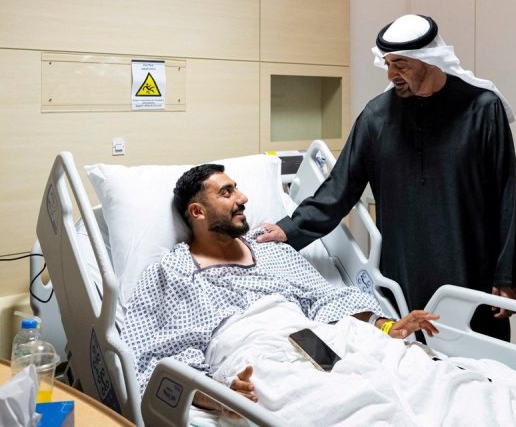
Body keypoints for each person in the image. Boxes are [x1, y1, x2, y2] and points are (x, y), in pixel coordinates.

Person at [258, 14, 516, 341]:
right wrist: (290, 229)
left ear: (428, 59)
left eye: (401, 65)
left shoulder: (482, 109)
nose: (390, 74)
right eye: (387, 64)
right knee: (415, 355)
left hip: (471, 263)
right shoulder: (377, 117)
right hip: (405, 266)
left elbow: (506, 195)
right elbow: (340, 187)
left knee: (483, 358)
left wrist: (509, 275)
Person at [121, 163, 439, 412]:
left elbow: (327, 300)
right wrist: (217, 395)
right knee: (340, 406)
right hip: (252, 356)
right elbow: (156, 358)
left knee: (410, 376)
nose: (242, 198)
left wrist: (386, 326)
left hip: (314, 339)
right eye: (227, 192)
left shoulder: (270, 250)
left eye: (237, 189)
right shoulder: (172, 271)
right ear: (197, 211)